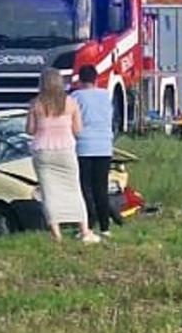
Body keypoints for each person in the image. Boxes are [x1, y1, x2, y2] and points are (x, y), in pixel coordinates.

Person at [26, 67, 99, 244]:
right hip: (66, 150)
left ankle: (56, 234)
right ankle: (84, 230)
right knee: (74, 189)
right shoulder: (71, 103)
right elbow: (78, 129)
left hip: (43, 152)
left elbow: (30, 130)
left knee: (49, 192)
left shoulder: (36, 104)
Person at [71, 65, 115, 236]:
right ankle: (105, 227)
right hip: (104, 146)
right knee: (101, 188)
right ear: (96, 79)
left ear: (80, 80)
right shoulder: (105, 95)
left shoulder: (76, 97)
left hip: (84, 146)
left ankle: (88, 225)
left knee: (85, 188)